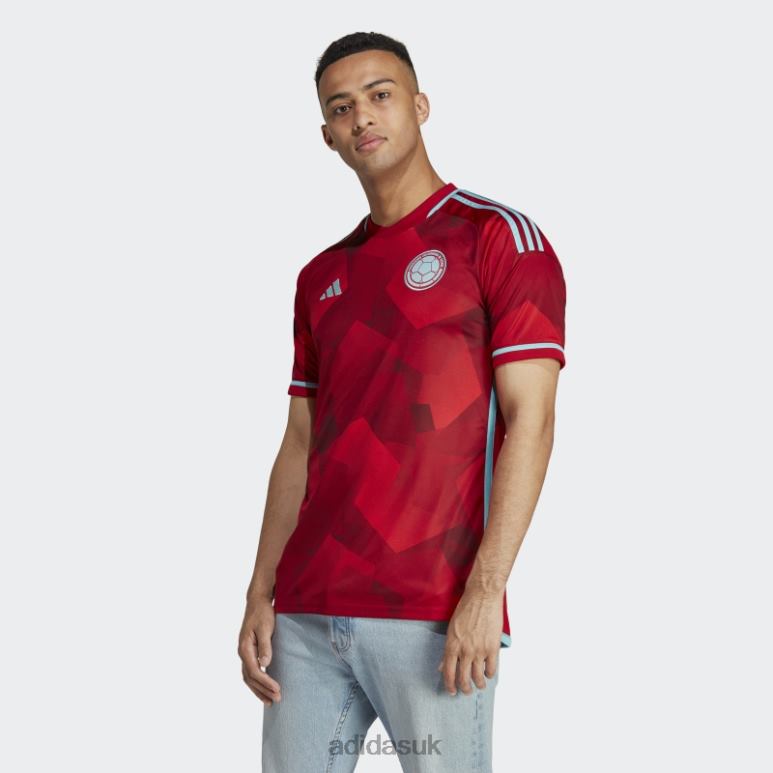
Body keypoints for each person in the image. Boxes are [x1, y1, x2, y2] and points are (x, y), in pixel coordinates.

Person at [238, 31, 567, 773]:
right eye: (341, 107)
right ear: (327, 135)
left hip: (431, 611)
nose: (362, 116)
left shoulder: (497, 239)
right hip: (306, 613)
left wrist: (485, 592)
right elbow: (300, 441)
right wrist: (262, 589)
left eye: (379, 95)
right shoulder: (320, 276)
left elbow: (533, 422)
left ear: (419, 105)